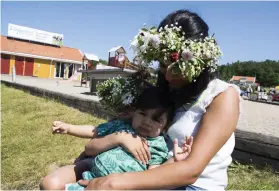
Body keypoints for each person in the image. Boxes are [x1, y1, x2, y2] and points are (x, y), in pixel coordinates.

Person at [78, 9, 241, 190]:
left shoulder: (222, 96)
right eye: (163, 65)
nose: (169, 75)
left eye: (178, 67)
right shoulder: (165, 91)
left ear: (199, 61)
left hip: (193, 186)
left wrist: (113, 182)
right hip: (146, 173)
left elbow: (192, 170)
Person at [40, 87, 193, 190]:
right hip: (90, 175)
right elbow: (94, 131)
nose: (147, 121)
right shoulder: (122, 126)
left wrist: (173, 160)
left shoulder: (158, 145)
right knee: (48, 184)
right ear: (134, 112)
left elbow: (154, 173)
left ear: (165, 127)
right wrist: (69, 128)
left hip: (118, 187)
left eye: (156, 119)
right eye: (142, 113)